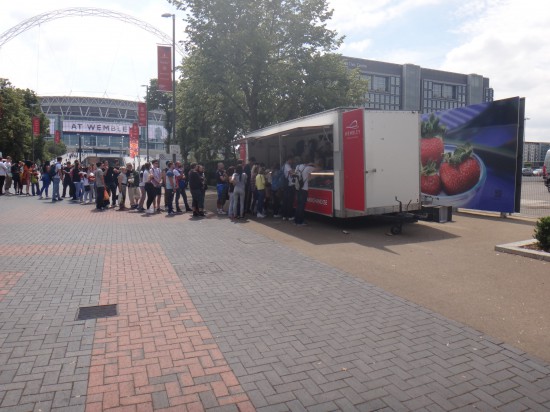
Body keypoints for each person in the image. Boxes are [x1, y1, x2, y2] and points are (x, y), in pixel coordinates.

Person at [293, 160, 317, 226]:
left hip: (298, 188)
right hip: (304, 189)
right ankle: (300, 222)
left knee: (298, 205)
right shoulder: (308, 168)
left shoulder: (297, 167)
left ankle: (296, 221)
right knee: (302, 206)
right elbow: (318, 169)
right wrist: (313, 164)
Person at [281, 156, 296, 221]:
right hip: (289, 186)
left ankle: (284, 216)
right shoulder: (287, 166)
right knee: (290, 201)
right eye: (292, 160)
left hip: (285, 186)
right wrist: (296, 172)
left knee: (285, 201)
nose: (292, 161)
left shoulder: (283, 166)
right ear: (289, 160)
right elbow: (291, 173)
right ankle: (290, 216)